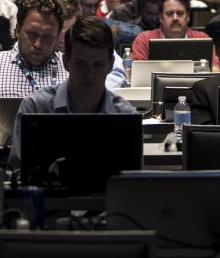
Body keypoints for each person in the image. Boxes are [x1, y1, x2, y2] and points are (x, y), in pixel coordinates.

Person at [7, 18, 137, 169]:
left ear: (110, 65)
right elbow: (16, 174)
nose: (90, 74)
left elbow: (132, 185)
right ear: (66, 62)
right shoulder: (35, 108)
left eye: (98, 65)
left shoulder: (127, 117)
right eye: (81, 64)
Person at [0, 0, 66, 145]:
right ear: (18, 30)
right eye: (32, 34)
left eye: (47, 37)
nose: (38, 44)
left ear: (58, 36)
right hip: (1, 163)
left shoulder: (70, 67)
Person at [131, 0, 218, 69]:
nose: (175, 18)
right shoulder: (144, 40)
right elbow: (138, 74)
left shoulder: (202, 39)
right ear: (160, 17)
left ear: (188, 17)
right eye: (169, 14)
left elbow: (214, 70)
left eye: (180, 13)